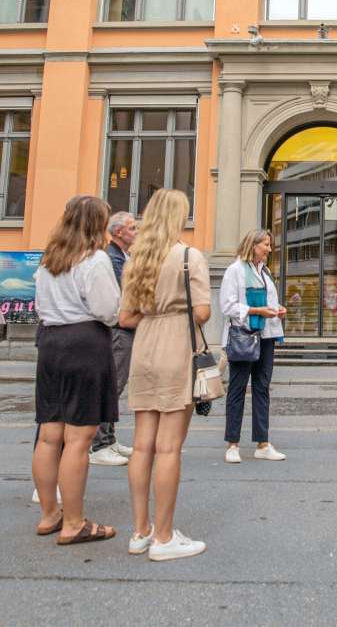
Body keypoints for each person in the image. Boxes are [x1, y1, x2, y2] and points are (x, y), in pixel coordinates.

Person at [119, 189, 210, 561]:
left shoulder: (135, 259)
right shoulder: (189, 256)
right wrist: (173, 314)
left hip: (144, 349)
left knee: (142, 445)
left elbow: (124, 318)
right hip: (176, 346)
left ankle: (139, 531)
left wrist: (152, 314)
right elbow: (202, 312)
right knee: (169, 446)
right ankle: (164, 536)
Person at [32, 195, 120, 544]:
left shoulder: (48, 258)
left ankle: (49, 514)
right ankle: (74, 522)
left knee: (49, 434)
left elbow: (40, 305)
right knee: (78, 440)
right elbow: (108, 310)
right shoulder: (95, 260)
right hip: (84, 343)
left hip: (50, 344)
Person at [220, 229, 287, 464]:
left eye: (270, 245)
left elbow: (268, 301)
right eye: (266, 245)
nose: (270, 249)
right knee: (237, 389)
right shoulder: (235, 271)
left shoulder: (264, 271)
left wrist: (278, 309)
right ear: (253, 245)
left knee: (262, 389)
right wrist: (258, 311)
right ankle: (233, 445)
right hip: (244, 336)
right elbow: (227, 306)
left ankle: (262, 443)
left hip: (266, 336)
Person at [90, 211, 137, 467]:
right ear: (118, 232)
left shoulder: (122, 255)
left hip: (124, 329)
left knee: (115, 385)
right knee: (112, 385)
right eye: (132, 228)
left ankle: (108, 438)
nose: (136, 232)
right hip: (119, 330)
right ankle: (100, 443)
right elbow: (124, 292)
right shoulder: (112, 258)